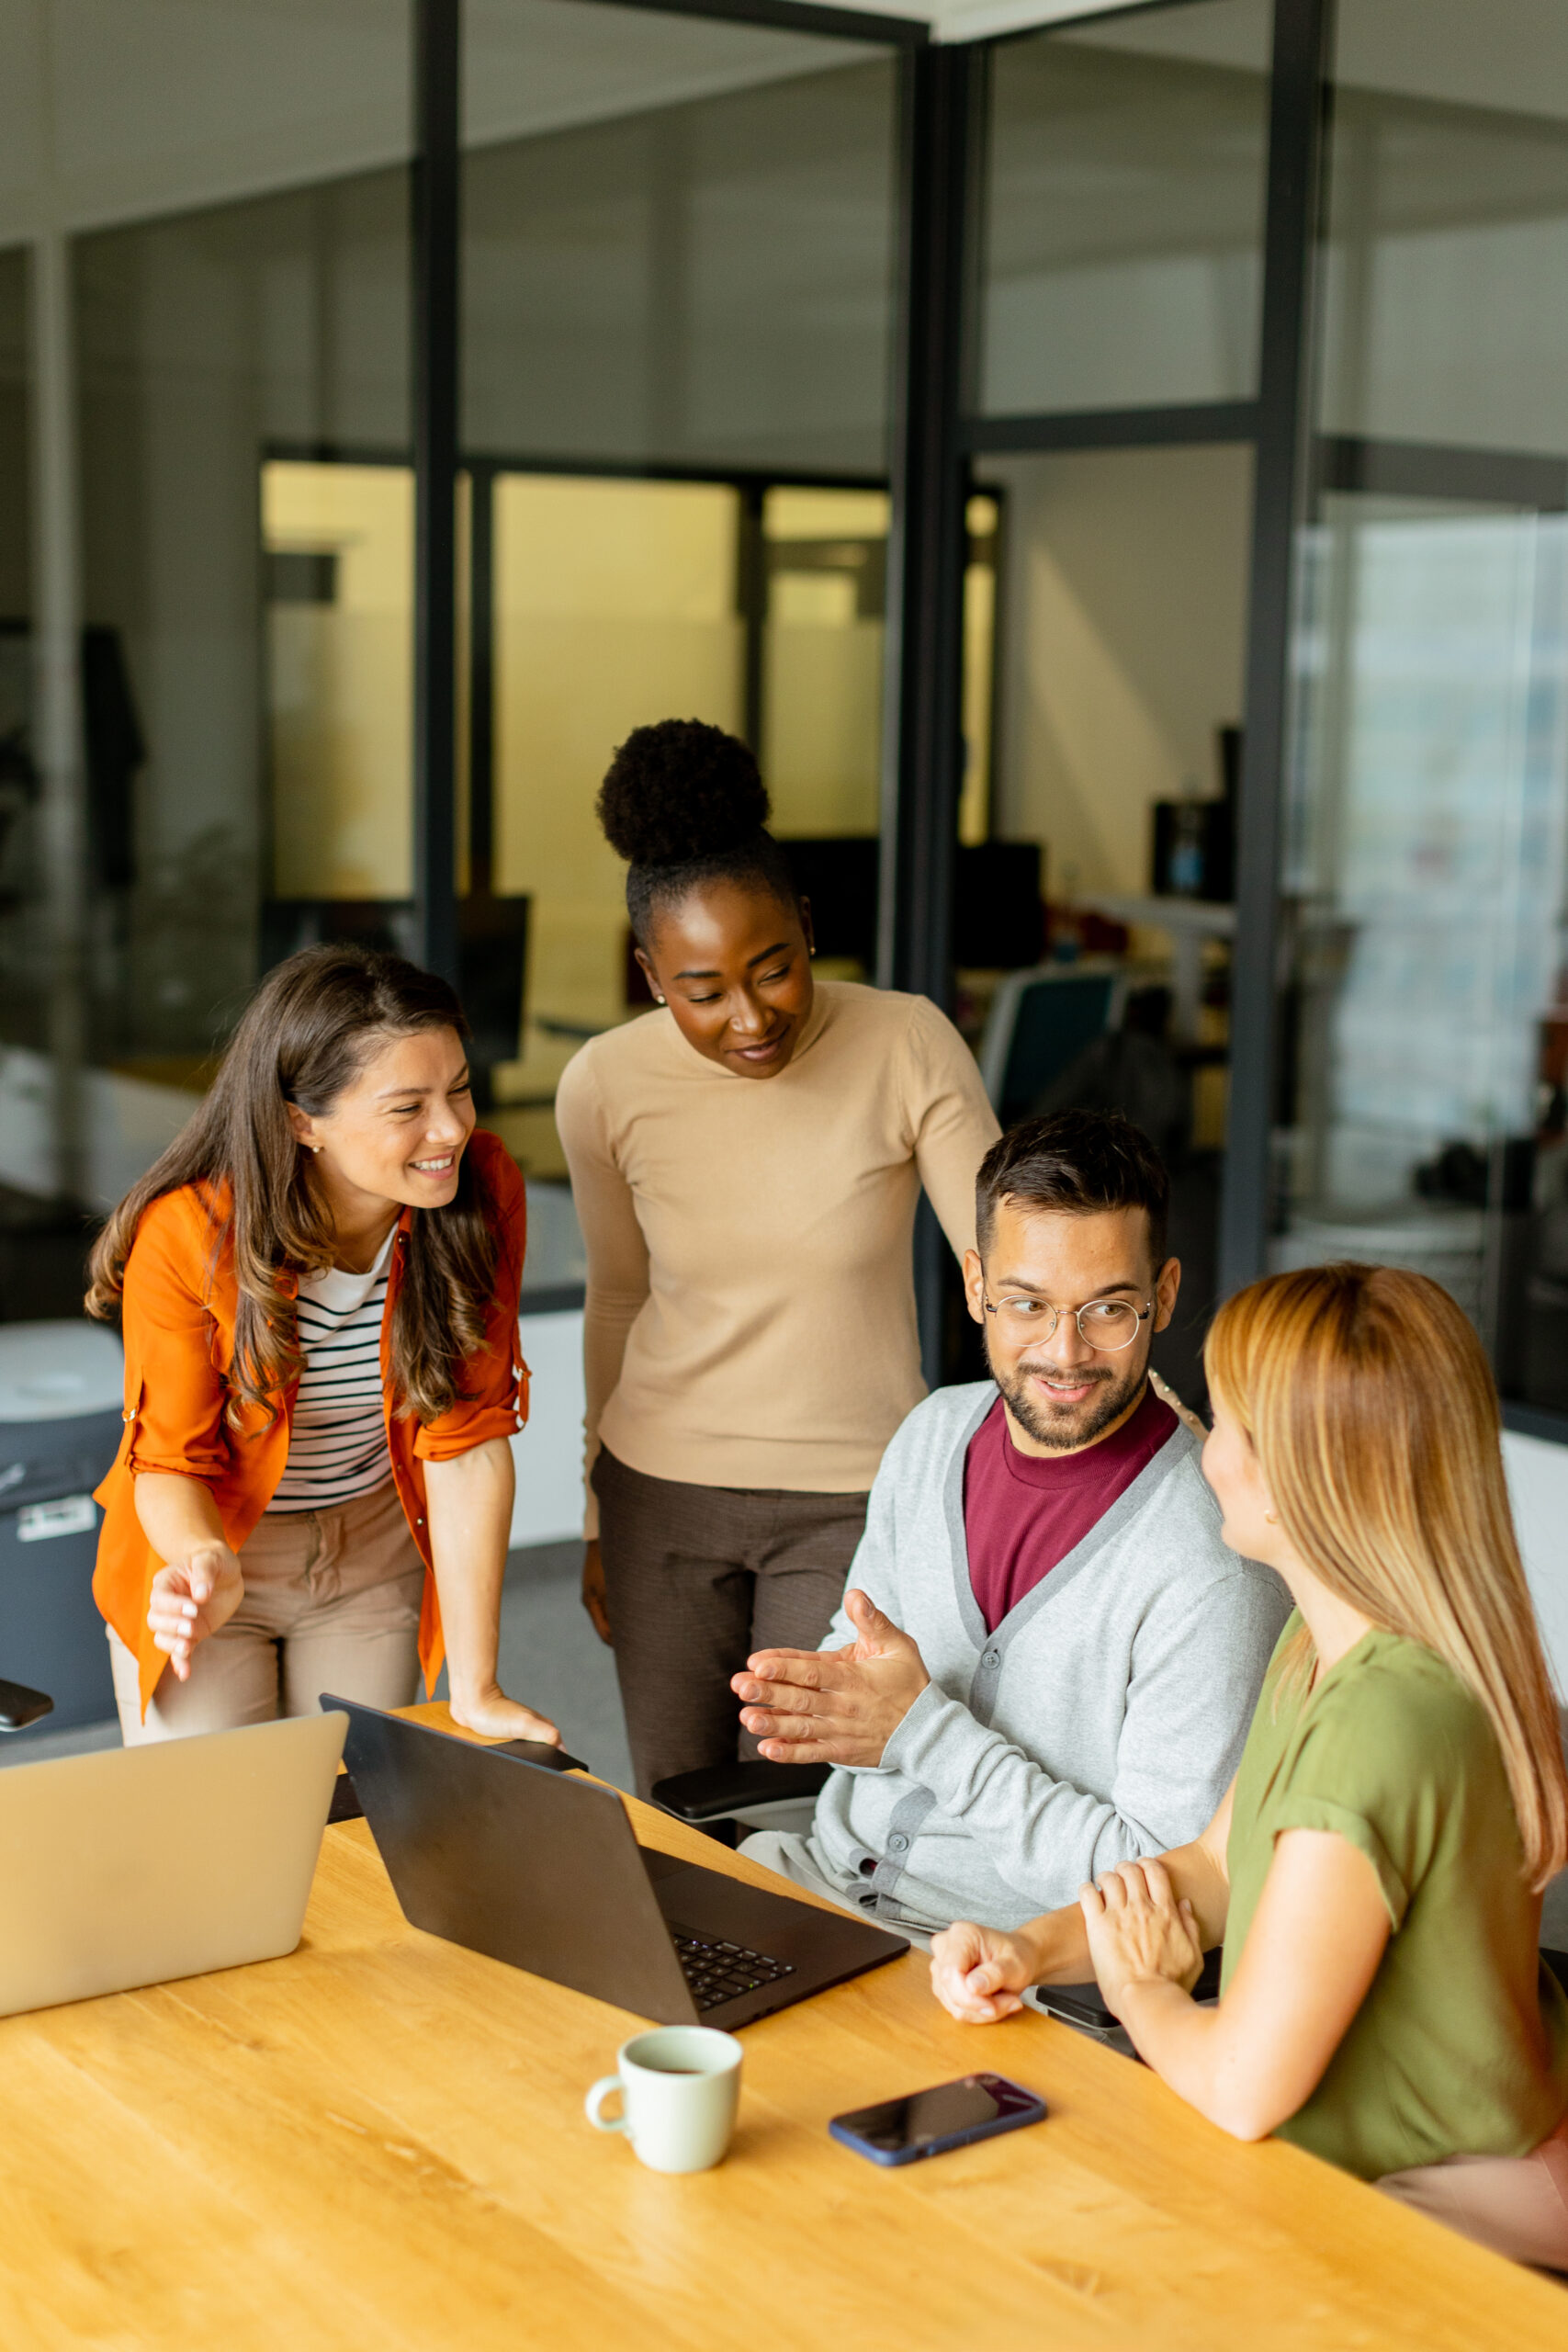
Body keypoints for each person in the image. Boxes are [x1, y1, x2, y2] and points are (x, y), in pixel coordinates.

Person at [929, 1263, 1568, 2273]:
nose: (1204, 1447)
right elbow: (1216, 1867)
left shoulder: (1382, 1724)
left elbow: (1241, 2086)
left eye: (1223, 1422)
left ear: (1299, 1474)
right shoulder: (1322, 1644)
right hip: (1365, 2145)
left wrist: (1143, 1992)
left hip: (1439, 2191)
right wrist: (1029, 1949)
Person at [554, 718, 999, 1797]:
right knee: (680, 1801)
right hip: (660, 1494)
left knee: (805, 1809)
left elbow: (1004, 1266)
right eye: (704, 992)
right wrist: (598, 1512)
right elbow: (617, 1300)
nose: (750, 1017)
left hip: (850, 1496)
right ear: (650, 975)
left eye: (775, 970)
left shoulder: (907, 1041)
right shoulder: (602, 1085)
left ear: (807, 926)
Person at [729, 1111, 1289, 1939]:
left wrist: (920, 1733)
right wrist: (830, 1700)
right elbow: (862, 1671)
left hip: (1007, 1960)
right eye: (1027, 1304)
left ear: (1163, 1296)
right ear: (975, 1286)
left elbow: (1161, 1889)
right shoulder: (931, 1436)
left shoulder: (1213, 1566)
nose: (1064, 1353)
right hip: (818, 1879)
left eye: (1108, 1309)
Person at [88, 944, 559, 1747]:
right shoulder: (191, 1231)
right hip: (216, 1548)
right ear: (301, 1121)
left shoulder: (482, 1189)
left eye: (459, 1089)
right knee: (212, 1808)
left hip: (372, 1550)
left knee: (349, 1797)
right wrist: (203, 1560)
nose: (451, 1128)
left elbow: (466, 1442)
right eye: (407, 1107)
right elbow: (167, 1461)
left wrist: (476, 1687)